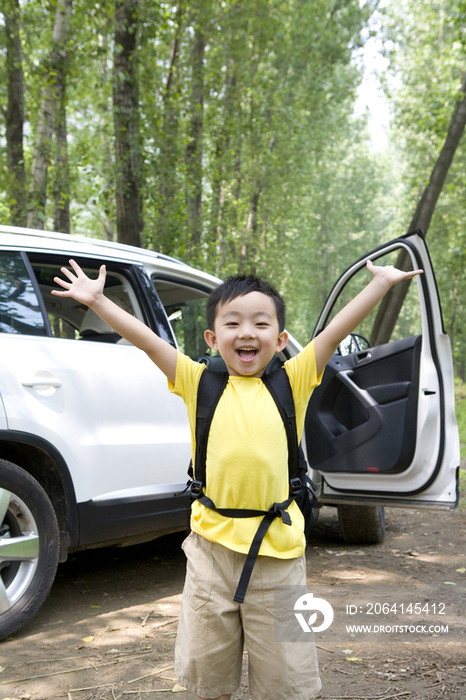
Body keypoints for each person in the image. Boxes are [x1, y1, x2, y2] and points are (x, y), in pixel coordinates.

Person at [53, 258, 422, 700]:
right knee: (209, 679)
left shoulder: (294, 378)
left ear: (281, 339)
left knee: (285, 682)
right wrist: (98, 301)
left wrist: (379, 285)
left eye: (260, 323)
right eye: (233, 323)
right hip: (210, 553)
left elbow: (334, 334)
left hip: (279, 555)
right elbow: (148, 342)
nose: (247, 332)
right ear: (212, 338)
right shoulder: (196, 380)